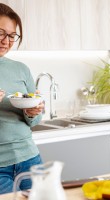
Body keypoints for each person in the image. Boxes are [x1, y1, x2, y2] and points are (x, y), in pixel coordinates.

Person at [0, 3, 45, 194]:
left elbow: (34, 120)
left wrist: (33, 111)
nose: (6, 41)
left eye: (12, 36)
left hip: (30, 159)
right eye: (1, 33)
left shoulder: (21, 69)